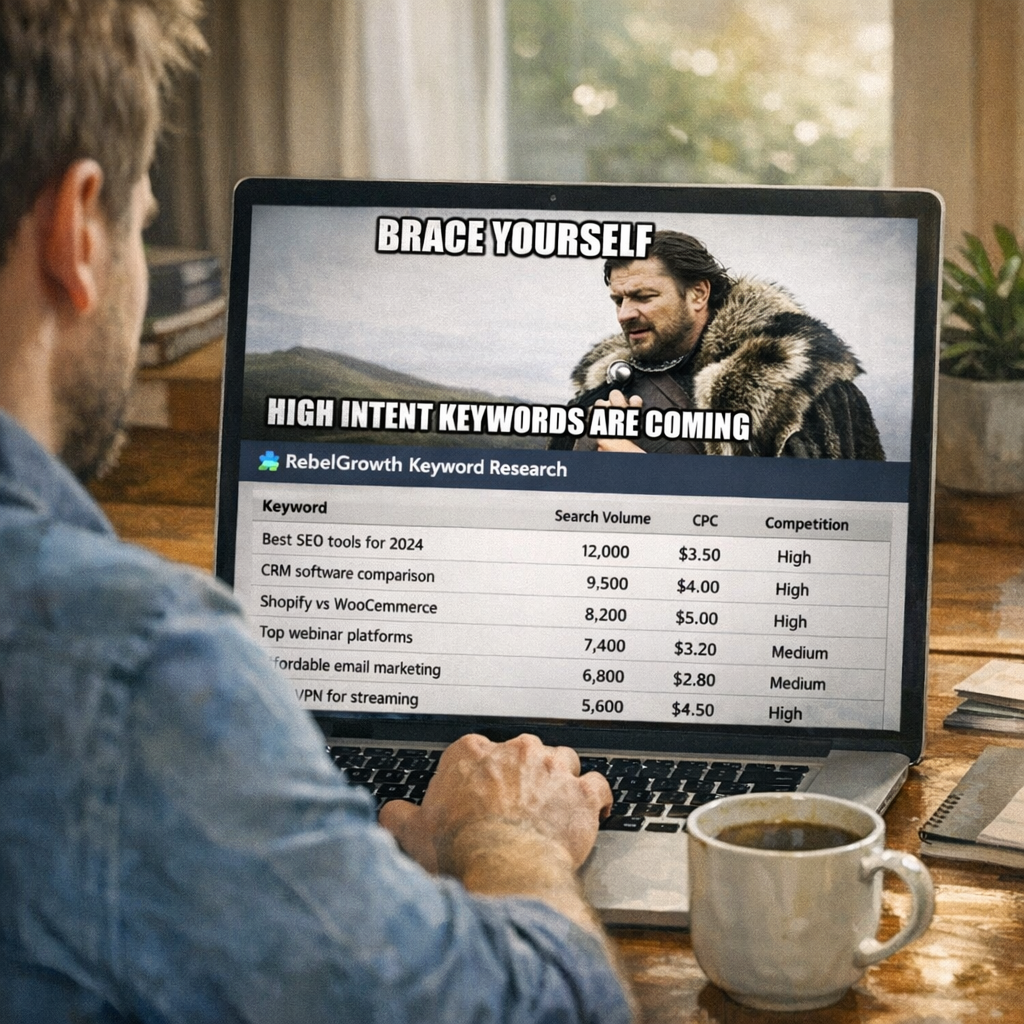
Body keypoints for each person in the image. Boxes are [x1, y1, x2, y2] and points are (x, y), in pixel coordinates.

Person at [0, 4, 631, 1022]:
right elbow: (554, 1009)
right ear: (78, 231)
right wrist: (505, 834)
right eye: (143, 223)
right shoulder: (127, 661)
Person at [567, 230, 885, 459]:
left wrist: (643, 470)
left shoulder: (797, 386)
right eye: (618, 300)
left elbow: (815, 515)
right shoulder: (603, 387)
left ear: (698, 294)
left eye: (643, 297)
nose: (624, 314)